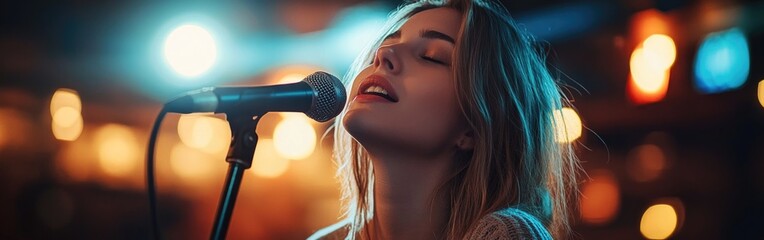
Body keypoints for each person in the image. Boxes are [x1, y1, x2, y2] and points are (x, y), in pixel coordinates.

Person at [310, 0, 580, 239]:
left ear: (474, 128)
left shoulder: (505, 234)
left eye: (431, 57)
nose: (384, 55)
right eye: (386, 46)